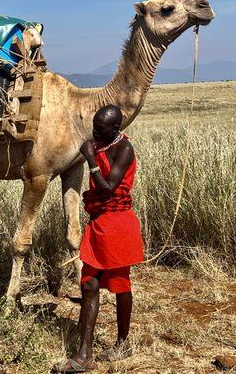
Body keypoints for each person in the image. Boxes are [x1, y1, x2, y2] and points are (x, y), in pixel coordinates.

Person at [53, 105, 144, 373]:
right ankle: (84, 354)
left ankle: (123, 342)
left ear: (115, 129)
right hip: (99, 224)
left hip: (117, 225)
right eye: (93, 125)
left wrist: (91, 161)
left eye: (99, 127)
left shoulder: (124, 150)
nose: (94, 131)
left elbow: (107, 189)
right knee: (89, 284)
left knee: (119, 284)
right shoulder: (100, 143)